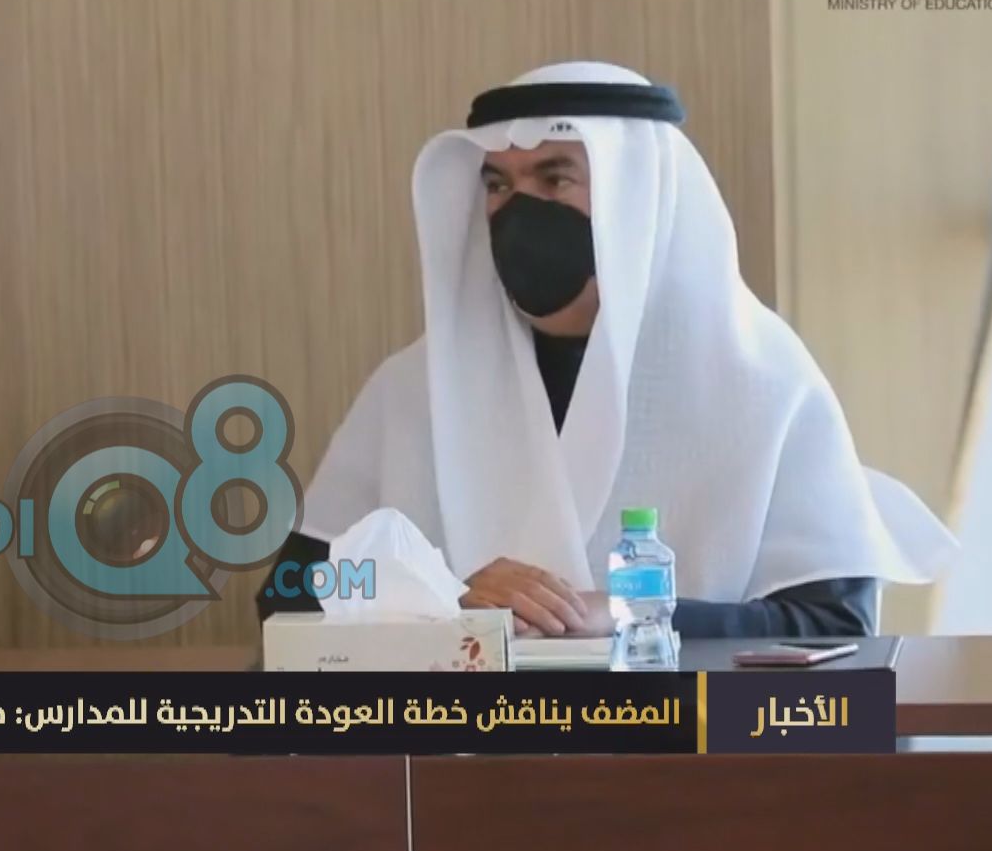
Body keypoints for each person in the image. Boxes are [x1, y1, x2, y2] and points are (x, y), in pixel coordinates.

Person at [282, 62, 957, 638]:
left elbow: (833, 623)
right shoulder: (417, 387)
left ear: (635, 199)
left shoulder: (761, 380)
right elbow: (292, 590)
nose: (519, 211)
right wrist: (445, 600)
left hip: (691, 741)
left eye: (554, 180)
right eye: (499, 186)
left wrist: (631, 612)